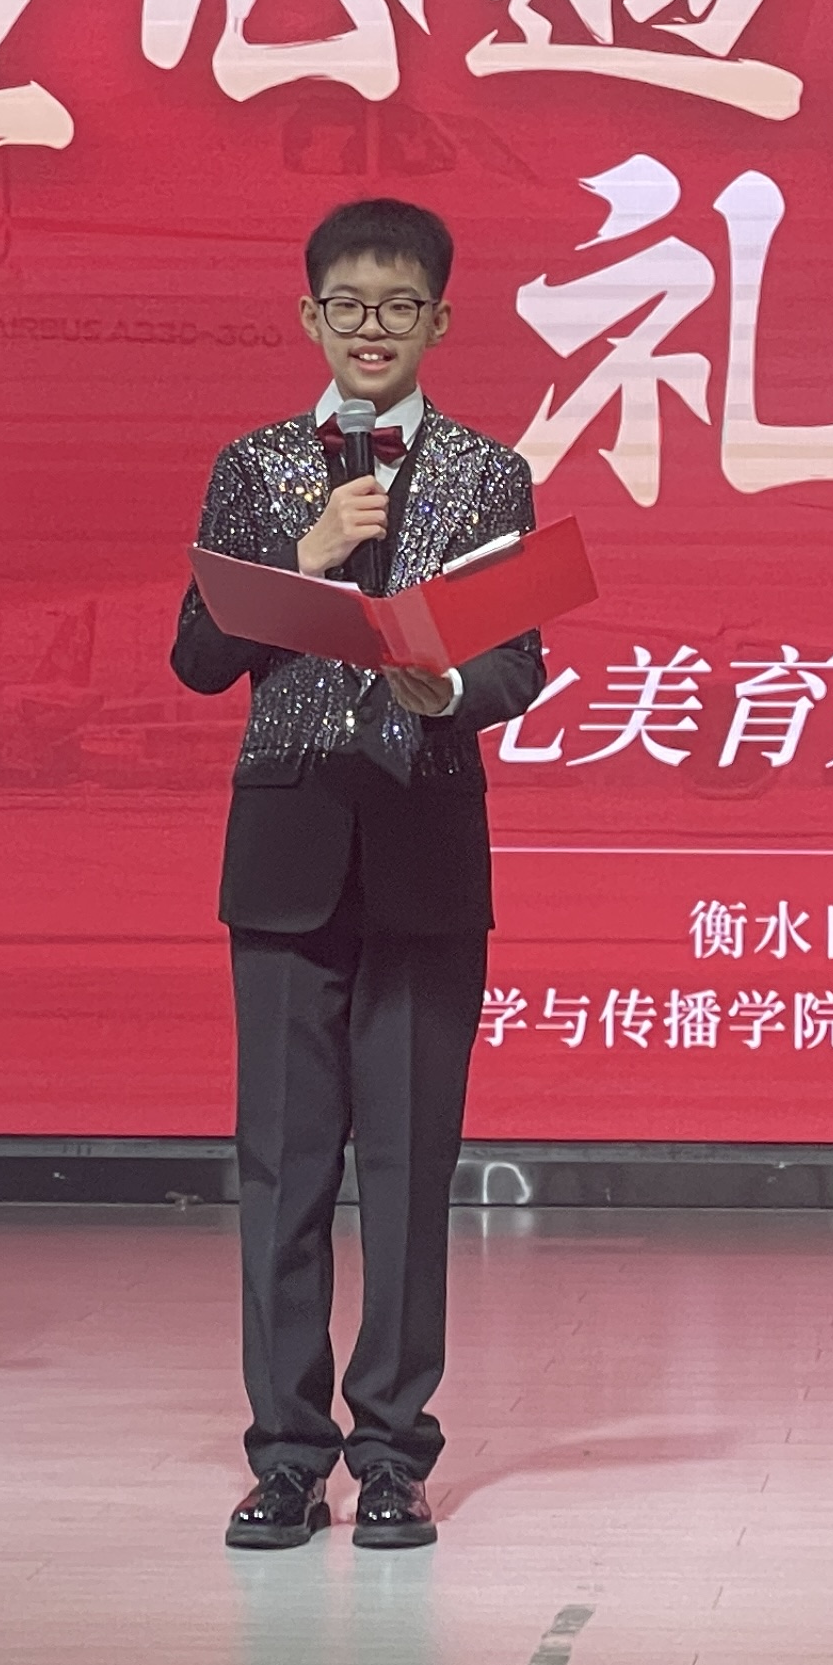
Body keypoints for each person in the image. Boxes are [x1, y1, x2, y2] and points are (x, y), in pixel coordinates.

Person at [173, 198, 546, 1554]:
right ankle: (286, 1458)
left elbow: (519, 661)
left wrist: (449, 685)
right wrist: (305, 556)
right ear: (310, 317)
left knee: (406, 1169)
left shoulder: (491, 473)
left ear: (441, 319)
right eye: (348, 305)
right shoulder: (257, 467)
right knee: (282, 1172)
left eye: (398, 306)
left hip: (425, 848)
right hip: (287, 854)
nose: (372, 328)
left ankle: (393, 1455)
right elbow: (199, 657)